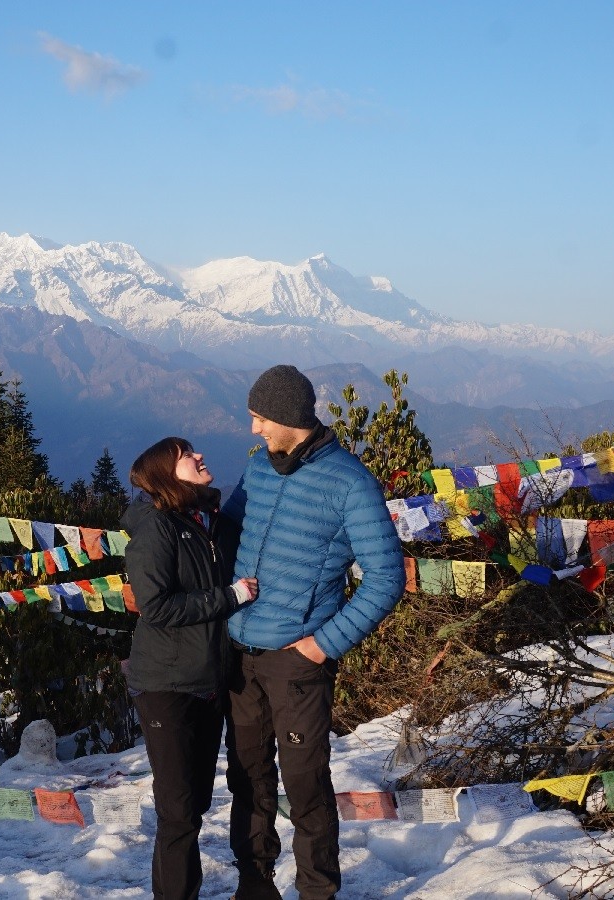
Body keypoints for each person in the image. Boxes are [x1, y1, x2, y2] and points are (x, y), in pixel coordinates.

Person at [223, 365, 406, 900]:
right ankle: (254, 888)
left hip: (297, 663)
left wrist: (322, 645)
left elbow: (387, 577)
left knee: (305, 789)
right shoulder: (258, 469)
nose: (254, 430)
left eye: (259, 418)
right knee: (248, 780)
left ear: (287, 417)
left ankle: (317, 893)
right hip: (240, 654)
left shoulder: (350, 482)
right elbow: (227, 529)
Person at [123, 436, 259, 900]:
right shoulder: (157, 529)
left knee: (196, 802)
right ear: (166, 473)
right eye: (187, 455)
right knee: (179, 811)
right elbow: (155, 606)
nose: (200, 456)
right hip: (166, 685)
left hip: (209, 681)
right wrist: (232, 596)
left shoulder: (207, 520)